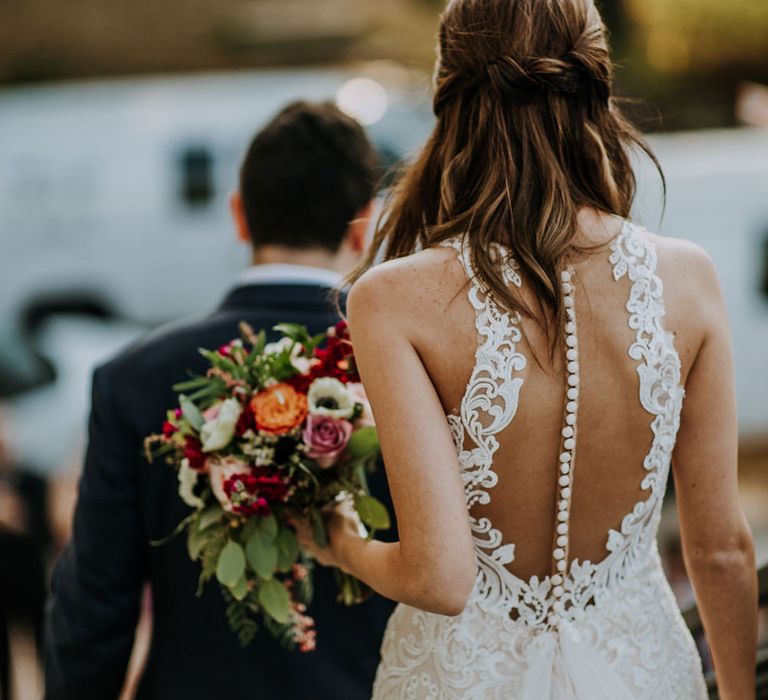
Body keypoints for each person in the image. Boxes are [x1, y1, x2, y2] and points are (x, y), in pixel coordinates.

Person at [294, 1, 758, 699]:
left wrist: (337, 540)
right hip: (642, 676)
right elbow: (722, 549)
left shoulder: (392, 298)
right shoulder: (688, 279)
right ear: (597, 84)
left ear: (448, 96)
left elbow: (439, 580)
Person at [44, 100, 396, 699]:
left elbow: (95, 607)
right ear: (364, 225)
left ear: (238, 215)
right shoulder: (402, 371)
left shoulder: (131, 379)